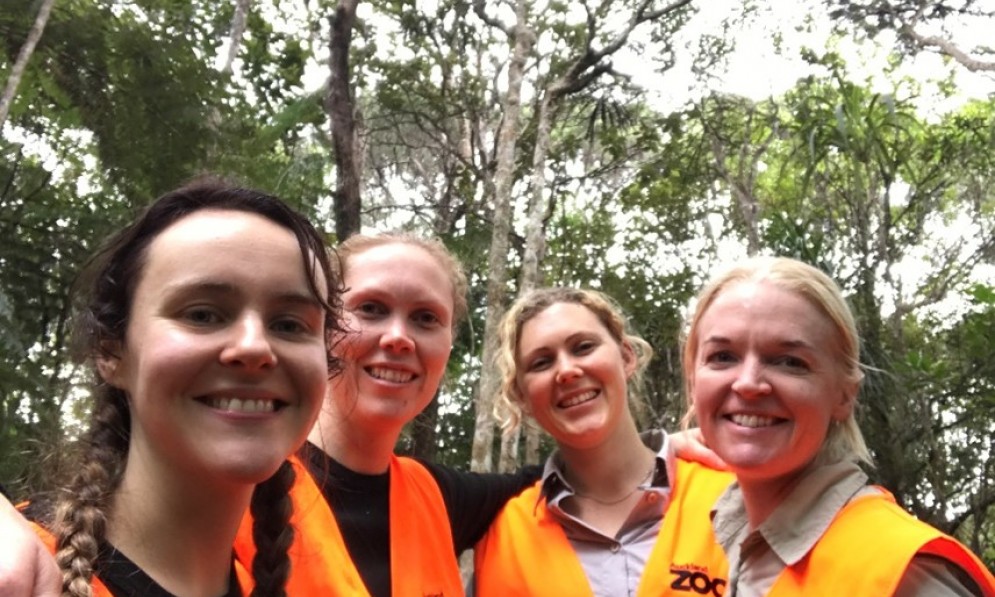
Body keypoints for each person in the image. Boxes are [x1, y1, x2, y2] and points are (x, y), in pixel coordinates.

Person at [23, 178, 341, 597]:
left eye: (289, 324)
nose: (254, 347)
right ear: (111, 354)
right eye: (203, 315)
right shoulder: (27, 574)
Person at [681, 256, 995, 596]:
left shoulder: (899, 572)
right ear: (693, 379)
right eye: (722, 356)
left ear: (845, 395)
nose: (748, 383)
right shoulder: (710, 533)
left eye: (790, 362)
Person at [473, 287, 734, 596]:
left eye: (583, 347)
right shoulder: (504, 534)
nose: (567, 371)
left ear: (626, 357)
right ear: (521, 395)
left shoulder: (731, 495)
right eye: (541, 363)